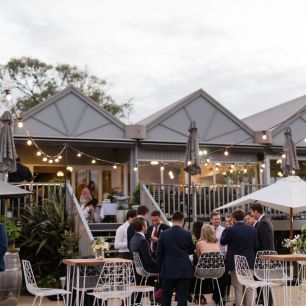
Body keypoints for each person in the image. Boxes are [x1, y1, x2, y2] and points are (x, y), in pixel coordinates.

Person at [156, 211, 194, 306]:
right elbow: (190, 251)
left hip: (168, 269)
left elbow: (159, 254)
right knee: (182, 297)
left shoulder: (163, 234)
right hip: (184, 269)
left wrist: (160, 268)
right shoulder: (187, 234)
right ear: (182, 221)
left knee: (166, 295)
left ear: (172, 221)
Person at [220, 209, 257, 306]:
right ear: (243, 217)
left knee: (238, 289)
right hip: (249, 262)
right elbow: (256, 245)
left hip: (235, 263)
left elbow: (222, 241)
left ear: (234, 218)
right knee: (249, 289)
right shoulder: (252, 229)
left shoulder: (230, 229)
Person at [250, 202, 274, 305]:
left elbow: (266, 244)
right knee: (264, 283)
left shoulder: (263, 223)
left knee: (265, 284)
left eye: (251, 211)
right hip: (263, 259)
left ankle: (268, 303)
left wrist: (263, 259)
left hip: (264, 259)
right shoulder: (264, 221)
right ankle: (265, 301)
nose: (251, 214)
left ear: (256, 211)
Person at [210, 211, 227, 305]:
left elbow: (226, 244)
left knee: (221, 280)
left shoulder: (223, 230)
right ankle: (215, 297)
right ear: (211, 220)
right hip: (211, 258)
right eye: (215, 219)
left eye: (219, 219)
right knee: (214, 279)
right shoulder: (208, 230)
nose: (218, 221)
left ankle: (220, 299)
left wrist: (225, 254)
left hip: (221, 257)